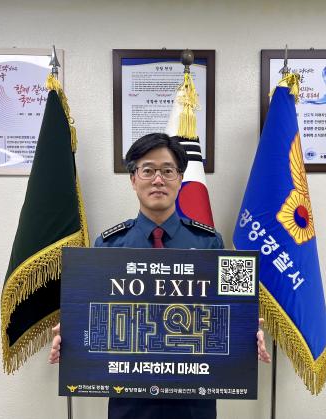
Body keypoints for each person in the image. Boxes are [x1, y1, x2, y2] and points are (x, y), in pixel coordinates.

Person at [49, 133, 271, 419]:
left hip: (194, 399)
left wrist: (246, 332)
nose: (158, 180)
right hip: (129, 398)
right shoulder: (108, 246)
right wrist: (72, 335)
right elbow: (94, 318)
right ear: (133, 179)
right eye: (148, 170)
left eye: (167, 171)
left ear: (180, 179)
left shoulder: (209, 242)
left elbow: (228, 314)